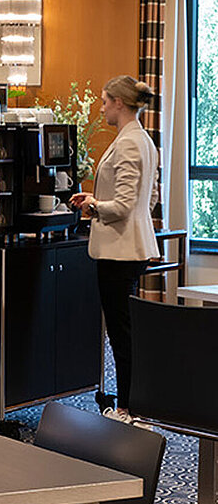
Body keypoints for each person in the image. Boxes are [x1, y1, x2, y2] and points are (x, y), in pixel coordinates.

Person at [69, 75, 160, 424]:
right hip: (133, 245)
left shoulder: (127, 144)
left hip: (119, 251)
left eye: (105, 101)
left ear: (119, 103)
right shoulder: (144, 141)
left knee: (121, 333)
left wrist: (94, 203)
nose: (102, 107)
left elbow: (122, 205)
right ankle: (132, 403)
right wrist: (97, 204)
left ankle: (127, 407)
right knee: (126, 330)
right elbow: (147, 198)